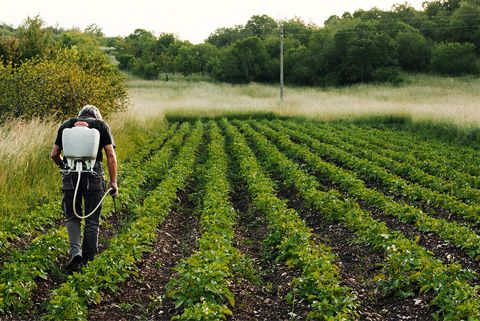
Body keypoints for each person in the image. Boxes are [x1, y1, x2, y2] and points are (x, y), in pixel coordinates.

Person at [50, 105, 118, 271]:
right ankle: (88, 262)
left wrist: (64, 166)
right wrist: (113, 182)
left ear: (80, 115)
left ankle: (75, 252)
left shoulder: (66, 125)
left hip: (70, 176)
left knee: (72, 217)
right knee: (92, 220)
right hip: (93, 176)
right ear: (96, 116)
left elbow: (54, 154)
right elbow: (110, 155)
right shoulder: (102, 126)